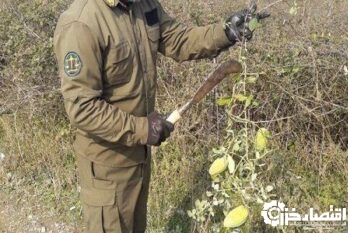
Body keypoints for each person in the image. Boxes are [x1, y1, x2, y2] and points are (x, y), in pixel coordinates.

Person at [53, 0, 269, 232]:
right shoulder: (81, 23)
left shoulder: (143, 5)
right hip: (107, 166)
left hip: (140, 156)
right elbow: (82, 108)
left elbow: (178, 39)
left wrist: (225, 32)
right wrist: (143, 129)